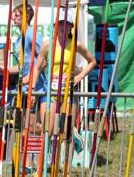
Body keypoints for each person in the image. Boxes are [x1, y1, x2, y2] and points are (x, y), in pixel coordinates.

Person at [32, 9, 96, 168]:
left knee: (67, 133)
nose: (63, 26)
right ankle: (40, 171)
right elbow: (37, 68)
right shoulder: (47, 45)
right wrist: (33, 90)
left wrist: (79, 77)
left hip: (68, 93)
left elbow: (92, 62)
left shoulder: (76, 44)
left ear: (71, 27)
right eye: (60, 23)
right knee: (48, 130)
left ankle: (66, 171)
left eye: (67, 24)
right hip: (50, 93)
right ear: (55, 25)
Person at [0, 4, 47, 172]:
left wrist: (29, 79)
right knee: (26, 126)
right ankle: (29, 165)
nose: (13, 18)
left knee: (34, 127)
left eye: (16, 15)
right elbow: (21, 67)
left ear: (26, 17)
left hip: (36, 88)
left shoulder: (33, 35)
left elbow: (44, 61)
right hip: (24, 90)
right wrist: (6, 71)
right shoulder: (19, 39)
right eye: (13, 15)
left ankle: (59, 131)